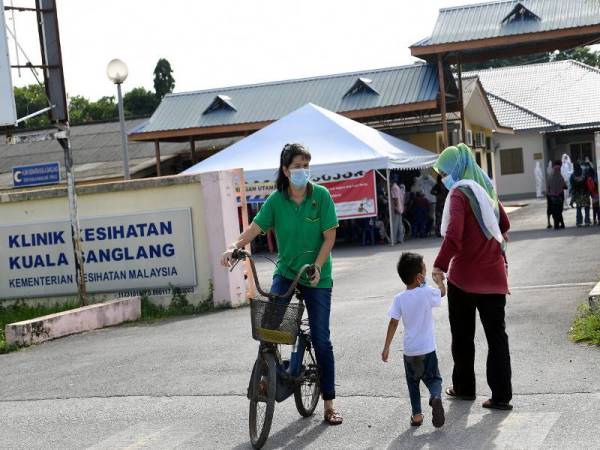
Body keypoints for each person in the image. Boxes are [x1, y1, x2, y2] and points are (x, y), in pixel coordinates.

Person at [221, 143, 343, 425]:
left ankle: (329, 403)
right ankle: (268, 378)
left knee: (322, 340)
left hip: (316, 275)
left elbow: (329, 237)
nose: (303, 171)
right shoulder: (276, 200)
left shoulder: (321, 196)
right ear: (286, 170)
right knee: (268, 326)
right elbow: (255, 227)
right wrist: (235, 246)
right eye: (297, 166)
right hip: (287, 271)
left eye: (306, 165)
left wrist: (318, 265)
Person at [432, 143, 513, 411]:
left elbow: (453, 237)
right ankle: (501, 396)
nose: (443, 178)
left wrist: (438, 266)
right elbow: (505, 225)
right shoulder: (486, 187)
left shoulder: (459, 194)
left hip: (465, 279)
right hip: (494, 276)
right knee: (497, 338)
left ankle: (465, 389)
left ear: (455, 170)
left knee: (463, 337)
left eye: (444, 172)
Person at [382, 252, 446, 428]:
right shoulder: (427, 293)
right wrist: (440, 281)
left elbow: (393, 322)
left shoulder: (399, 298)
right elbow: (441, 293)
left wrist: (386, 347)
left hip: (410, 351)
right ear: (419, 276)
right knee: (434, 379)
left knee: (413, 383)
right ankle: (435, 397)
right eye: (425, 269)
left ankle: (417, 416)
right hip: (428, 349)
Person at [570, 162, 592, 227]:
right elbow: (588, 183)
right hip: (585, 193)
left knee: (578, 208)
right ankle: (587, 221)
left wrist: (573, 193)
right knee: (586, 207)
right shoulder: (584, 174)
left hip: (577, 194)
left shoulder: (573, 175)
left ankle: (579, 222)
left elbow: (572, 185)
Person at [547, 162, 567, 230]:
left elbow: (548, 187)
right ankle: (561, 224)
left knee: (555, 211)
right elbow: (565, 186)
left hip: (552, 197)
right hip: (560, 196)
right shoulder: (561, 177)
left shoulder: (550, 178)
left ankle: (557, 224)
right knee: (559, 211)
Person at [390, 178, 405, 244]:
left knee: (395, 225)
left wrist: (395, 208)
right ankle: (400, 239)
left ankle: (394, 240)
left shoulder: (394, 188)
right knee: (399, 225)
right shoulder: (397, 187)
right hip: (400, 208)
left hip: (396, 209)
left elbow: (395, 199)